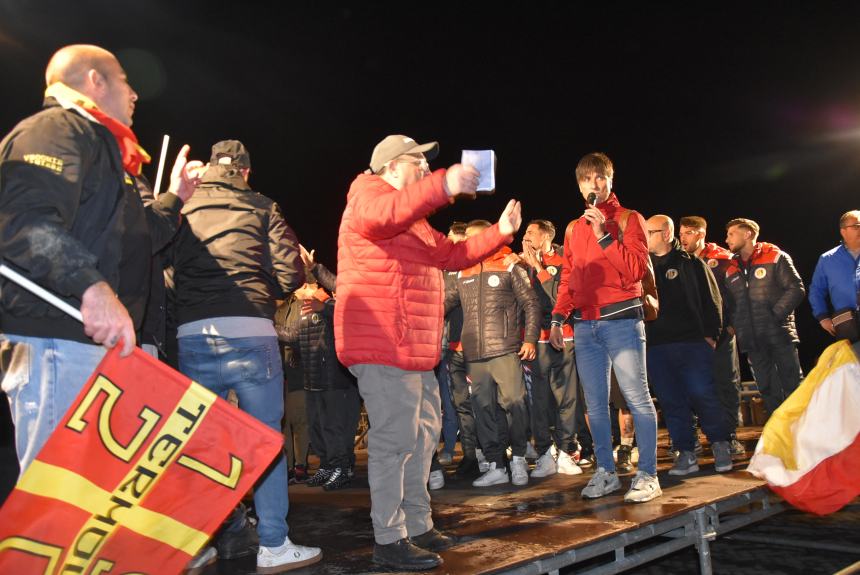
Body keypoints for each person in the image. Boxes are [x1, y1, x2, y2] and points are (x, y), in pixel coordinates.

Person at [0, 44, 199, 473]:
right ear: (95, 80)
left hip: (93, 344)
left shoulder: (104, 151)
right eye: (126, 81)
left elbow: (137, 241)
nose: (134, 95)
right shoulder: (56, 129)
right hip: (58, 338)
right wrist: (93, 287)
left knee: (92, 499)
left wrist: (175, 198)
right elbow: (22, 220)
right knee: (58, 504)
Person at [335, 134, 522, 571]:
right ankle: (389, 538)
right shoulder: (369, 194)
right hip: (382, 340)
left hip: (414, 347)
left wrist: (501, 233)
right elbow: (387, 214)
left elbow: (451, 254)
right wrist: (444, 184)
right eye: (419, 163)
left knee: (420, 439)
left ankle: (418, 524)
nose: (424, 169)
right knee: (393, 441)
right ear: (393, 166)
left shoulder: (412, 218)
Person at [171, 140, 320, 573]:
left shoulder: (184, 203)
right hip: (252, 330)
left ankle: (197, 543)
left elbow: (165, 265)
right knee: (266, 442)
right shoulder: (262, 205)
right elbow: (292, 273)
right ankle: (273, 543)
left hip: (193, 332)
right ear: (246, 171)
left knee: (199, 444)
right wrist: (264, 289)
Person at [549, 152, 661, 504]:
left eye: (599, 178)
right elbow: (569, 276)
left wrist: (603, 236)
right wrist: (557, 316)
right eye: (586, 180)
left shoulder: (629, 219)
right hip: (585, 324)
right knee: (595, 405)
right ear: (580, 186)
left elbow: (634, 271)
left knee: (637, 398)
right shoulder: (572, 227)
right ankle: (605, 472)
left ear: (610, 180)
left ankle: (649, 474)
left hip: (623, 320)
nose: (593, 185)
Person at [445, 219, 540, 488]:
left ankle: (519, 458)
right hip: (474, 354)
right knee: (483, 409)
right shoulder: (463, 271)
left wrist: (530, 339)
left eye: (476, 239)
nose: (470, 245)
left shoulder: (509, 264)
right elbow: (443, 303)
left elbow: (531, 303)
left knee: (515, 403)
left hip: (505, 348)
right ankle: (496, 464)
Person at [645, 215, 733, 475]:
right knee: (671, 400)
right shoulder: (642, 266)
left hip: (692, 342)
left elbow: (712, 299)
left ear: (664, 233)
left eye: (649, 232)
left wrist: (711, 335)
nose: (644, 236)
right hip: (657, 346)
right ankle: (685, 451)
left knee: (702, 393)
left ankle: (719, 443)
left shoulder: (690, 263)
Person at [510, 220, 583, 478]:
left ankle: (566, 451)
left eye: (531, 232)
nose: (526, 236)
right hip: (533, 341)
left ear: (546, 235)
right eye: (526, 232)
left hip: (564, 338)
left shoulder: (564, 260)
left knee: (567, 399)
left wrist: (538, 267)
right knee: (538, 401)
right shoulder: (517, 264)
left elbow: (559, 299)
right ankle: (544, 454)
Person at [723, 218, 806, 417]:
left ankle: (802, 431)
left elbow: (797, 289)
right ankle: (778, 434)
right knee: (766, 387)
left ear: (747, 234)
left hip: (779, 333)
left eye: (731, 234)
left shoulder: (776, 256)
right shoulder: (730, 267)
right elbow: (729, 301)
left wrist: (774, 316)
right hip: (751, 339)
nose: (726, 240)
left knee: (792, 383)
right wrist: (734, 324)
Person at [296, 247, 361, 492]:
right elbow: (292, 335)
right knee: (318, 426)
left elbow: (349, 313)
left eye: (304, 286)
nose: (299, 292)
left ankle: (341, 467)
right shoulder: (304, 312)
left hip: (337, 380)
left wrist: (325, 309)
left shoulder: (334, 304)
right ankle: (326, 465)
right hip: (313, 381)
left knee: (337, 427)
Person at [679, 215, 744, 455]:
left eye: (687, 233)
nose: (682, 237)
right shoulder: (679, 259)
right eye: (681, 232)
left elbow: (737, 294)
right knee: (691, 386)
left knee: (726, 383)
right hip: (691, 337)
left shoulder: (721, 258)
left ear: (700, 234)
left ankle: (729, 436)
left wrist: (732, 324)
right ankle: (693, 438)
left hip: (721, 334)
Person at [809, 210, 860, 341]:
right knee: (853, 361)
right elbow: (816, 290)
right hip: (847, 325)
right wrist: (822, 317)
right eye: (856, 226)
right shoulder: (827, 259)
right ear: (843, 231)